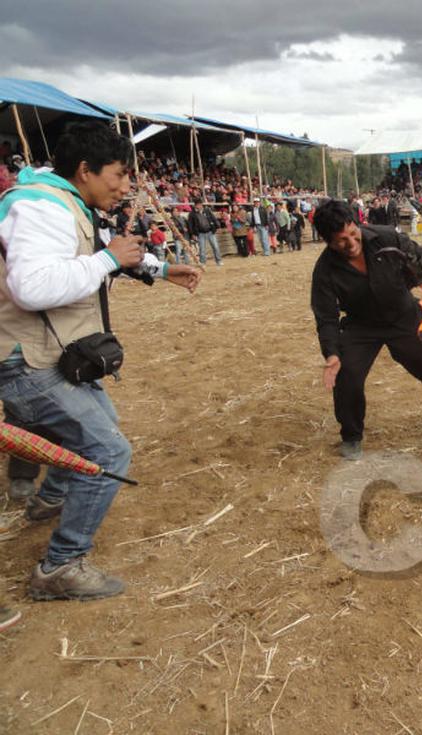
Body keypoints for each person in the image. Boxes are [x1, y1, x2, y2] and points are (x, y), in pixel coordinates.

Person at [0, 121, 201, 600]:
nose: (126, 185)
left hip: (46, 353)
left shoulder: (67, 202)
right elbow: (33, 287)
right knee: (108, 451)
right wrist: (109, 261)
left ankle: (50, 499)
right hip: (27, 360)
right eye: (119, 174)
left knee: (97, 431)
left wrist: (162, 269)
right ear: (86, 171)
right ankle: (60, 566)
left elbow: (106, 254)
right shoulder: (41, 206)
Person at [310, 200, 422, 460]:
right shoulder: (325, 270)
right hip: (361, 324)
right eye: (341, 241)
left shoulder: (387, 237)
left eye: (353, 234)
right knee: (347, 375)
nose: (352, 243)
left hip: (403, 315)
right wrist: (331, 354)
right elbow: (326, 317)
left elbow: (421, 260)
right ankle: (352, 436)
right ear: (328, 241)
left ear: (357, 224)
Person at [188, 200, 222, 265]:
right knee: (202, 249)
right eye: (197, 204)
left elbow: (214, 218)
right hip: (200, 233)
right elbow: (190, 224)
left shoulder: (207, 210)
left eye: (200, 204)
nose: (199, 206)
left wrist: (218, 226)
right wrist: (192, 234)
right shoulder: (192, 214)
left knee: (215, 246)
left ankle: (219, 261)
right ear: (195, 205)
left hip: (210, 231)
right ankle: (203, 263)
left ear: (201, 204)